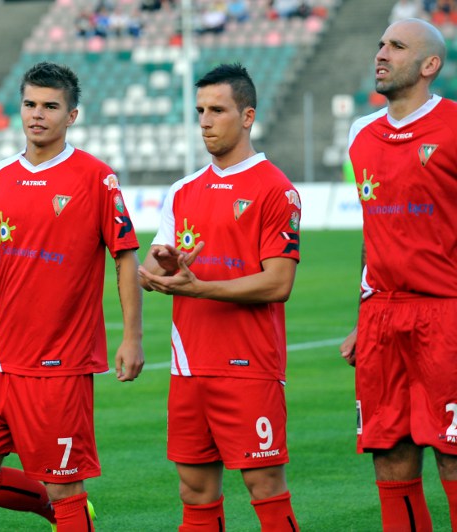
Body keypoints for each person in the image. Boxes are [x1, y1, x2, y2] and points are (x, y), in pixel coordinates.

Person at [0, 61, 144, 531]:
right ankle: (55, 513)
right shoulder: (2, 176)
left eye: (50, 106)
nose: (37, 114)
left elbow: (125, 257)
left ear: (71, 116)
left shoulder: (96, 177)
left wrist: (132, 337)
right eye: (30, 104)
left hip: (60, 364)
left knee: (65, 486)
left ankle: (67, 511)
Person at [139, 63, 301, 531]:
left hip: (249, 367)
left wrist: (200, 288)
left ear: (247, 116)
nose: (205, 122)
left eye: (217, 110)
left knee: (265, 486)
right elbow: (151, 269)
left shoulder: (276, 189)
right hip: (189, 367)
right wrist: (165, 265)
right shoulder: (182, 190)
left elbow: (278, 283)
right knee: (194, 491)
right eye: (200, 111)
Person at [340, 18, 457, 531]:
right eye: (381, 43)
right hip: (382, 317)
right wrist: (362, 318)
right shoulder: (360, 133)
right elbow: (374, 233)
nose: (382, 53)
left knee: (453, 452)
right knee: (389, 453)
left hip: (446, 312)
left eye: (397, 46)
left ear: (430, 65)